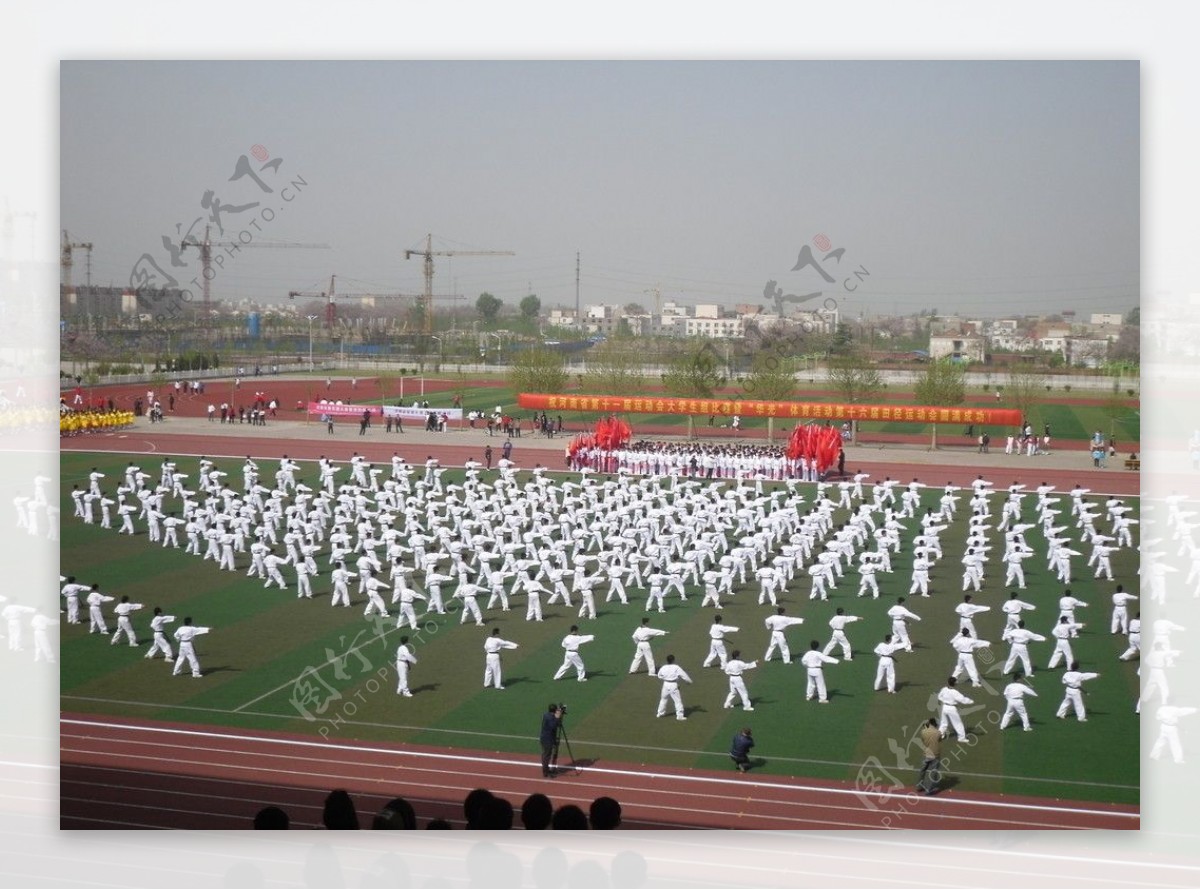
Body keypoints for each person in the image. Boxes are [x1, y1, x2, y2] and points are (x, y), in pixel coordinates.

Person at [936, 676, 974, 742]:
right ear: (955, 683)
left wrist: (944, 700)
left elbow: (939, 697)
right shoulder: (955, 692)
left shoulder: (944, 689)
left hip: (944, 707)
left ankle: (939, 735)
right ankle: (961, 738)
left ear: (948, 682)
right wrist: (970, 701)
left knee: (943, 723)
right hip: (952, 708)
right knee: (958, 723)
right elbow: (962, 699)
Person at [656, 654, 693, 720]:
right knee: (677, 701)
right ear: (673, 660)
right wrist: (689, 681)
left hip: (665, 684)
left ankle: (660, 713)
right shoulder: (676, 667)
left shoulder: (663, 667)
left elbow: (659, 675)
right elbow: (684, 675)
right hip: (673, 684)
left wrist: (664, 678)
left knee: (663, 699)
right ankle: (680, 716)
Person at [915, 718, 942, 795]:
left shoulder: (923, 732)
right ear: (935, 724)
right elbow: (939, 739)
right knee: (933, 772)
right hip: (935, 755)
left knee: (922, 770)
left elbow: (923, 738)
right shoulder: (937, 733)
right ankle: (929, 790)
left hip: (926, 754)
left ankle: (919, 786)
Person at [540, 703, 563, 778]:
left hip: (546, 738)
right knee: (547, 755)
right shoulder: (550, 717)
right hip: (547, 739)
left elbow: (557, 724)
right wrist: (557, 718)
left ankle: (546, 769)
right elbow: (553, 726)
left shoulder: (547, 715)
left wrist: (557, 717)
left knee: (546, 754)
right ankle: (546, 772)